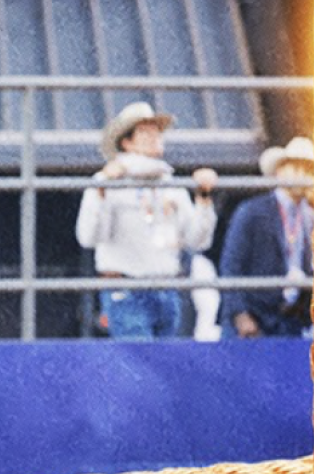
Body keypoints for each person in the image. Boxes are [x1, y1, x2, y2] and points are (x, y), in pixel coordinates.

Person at [75, 102, 218, 339]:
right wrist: (102, 192)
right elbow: (88, 236)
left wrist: (203, 199)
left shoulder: (171, 185)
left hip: (166, 289)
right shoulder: (106, 181)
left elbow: (197, 240)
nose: (155, 137)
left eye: (156, 131)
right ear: (126, 142)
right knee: (142, 362)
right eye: (145, 132)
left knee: (160, 365)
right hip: (126, 288)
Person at [219, 136, 314, 338]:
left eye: (307, 169)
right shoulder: (252, 212)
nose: (302, 175)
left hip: (291, 321)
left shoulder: (311, 217)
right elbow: (231, 266)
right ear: (279, 172)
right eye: (295, 167)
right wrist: (241, 315)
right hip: (255, 318)